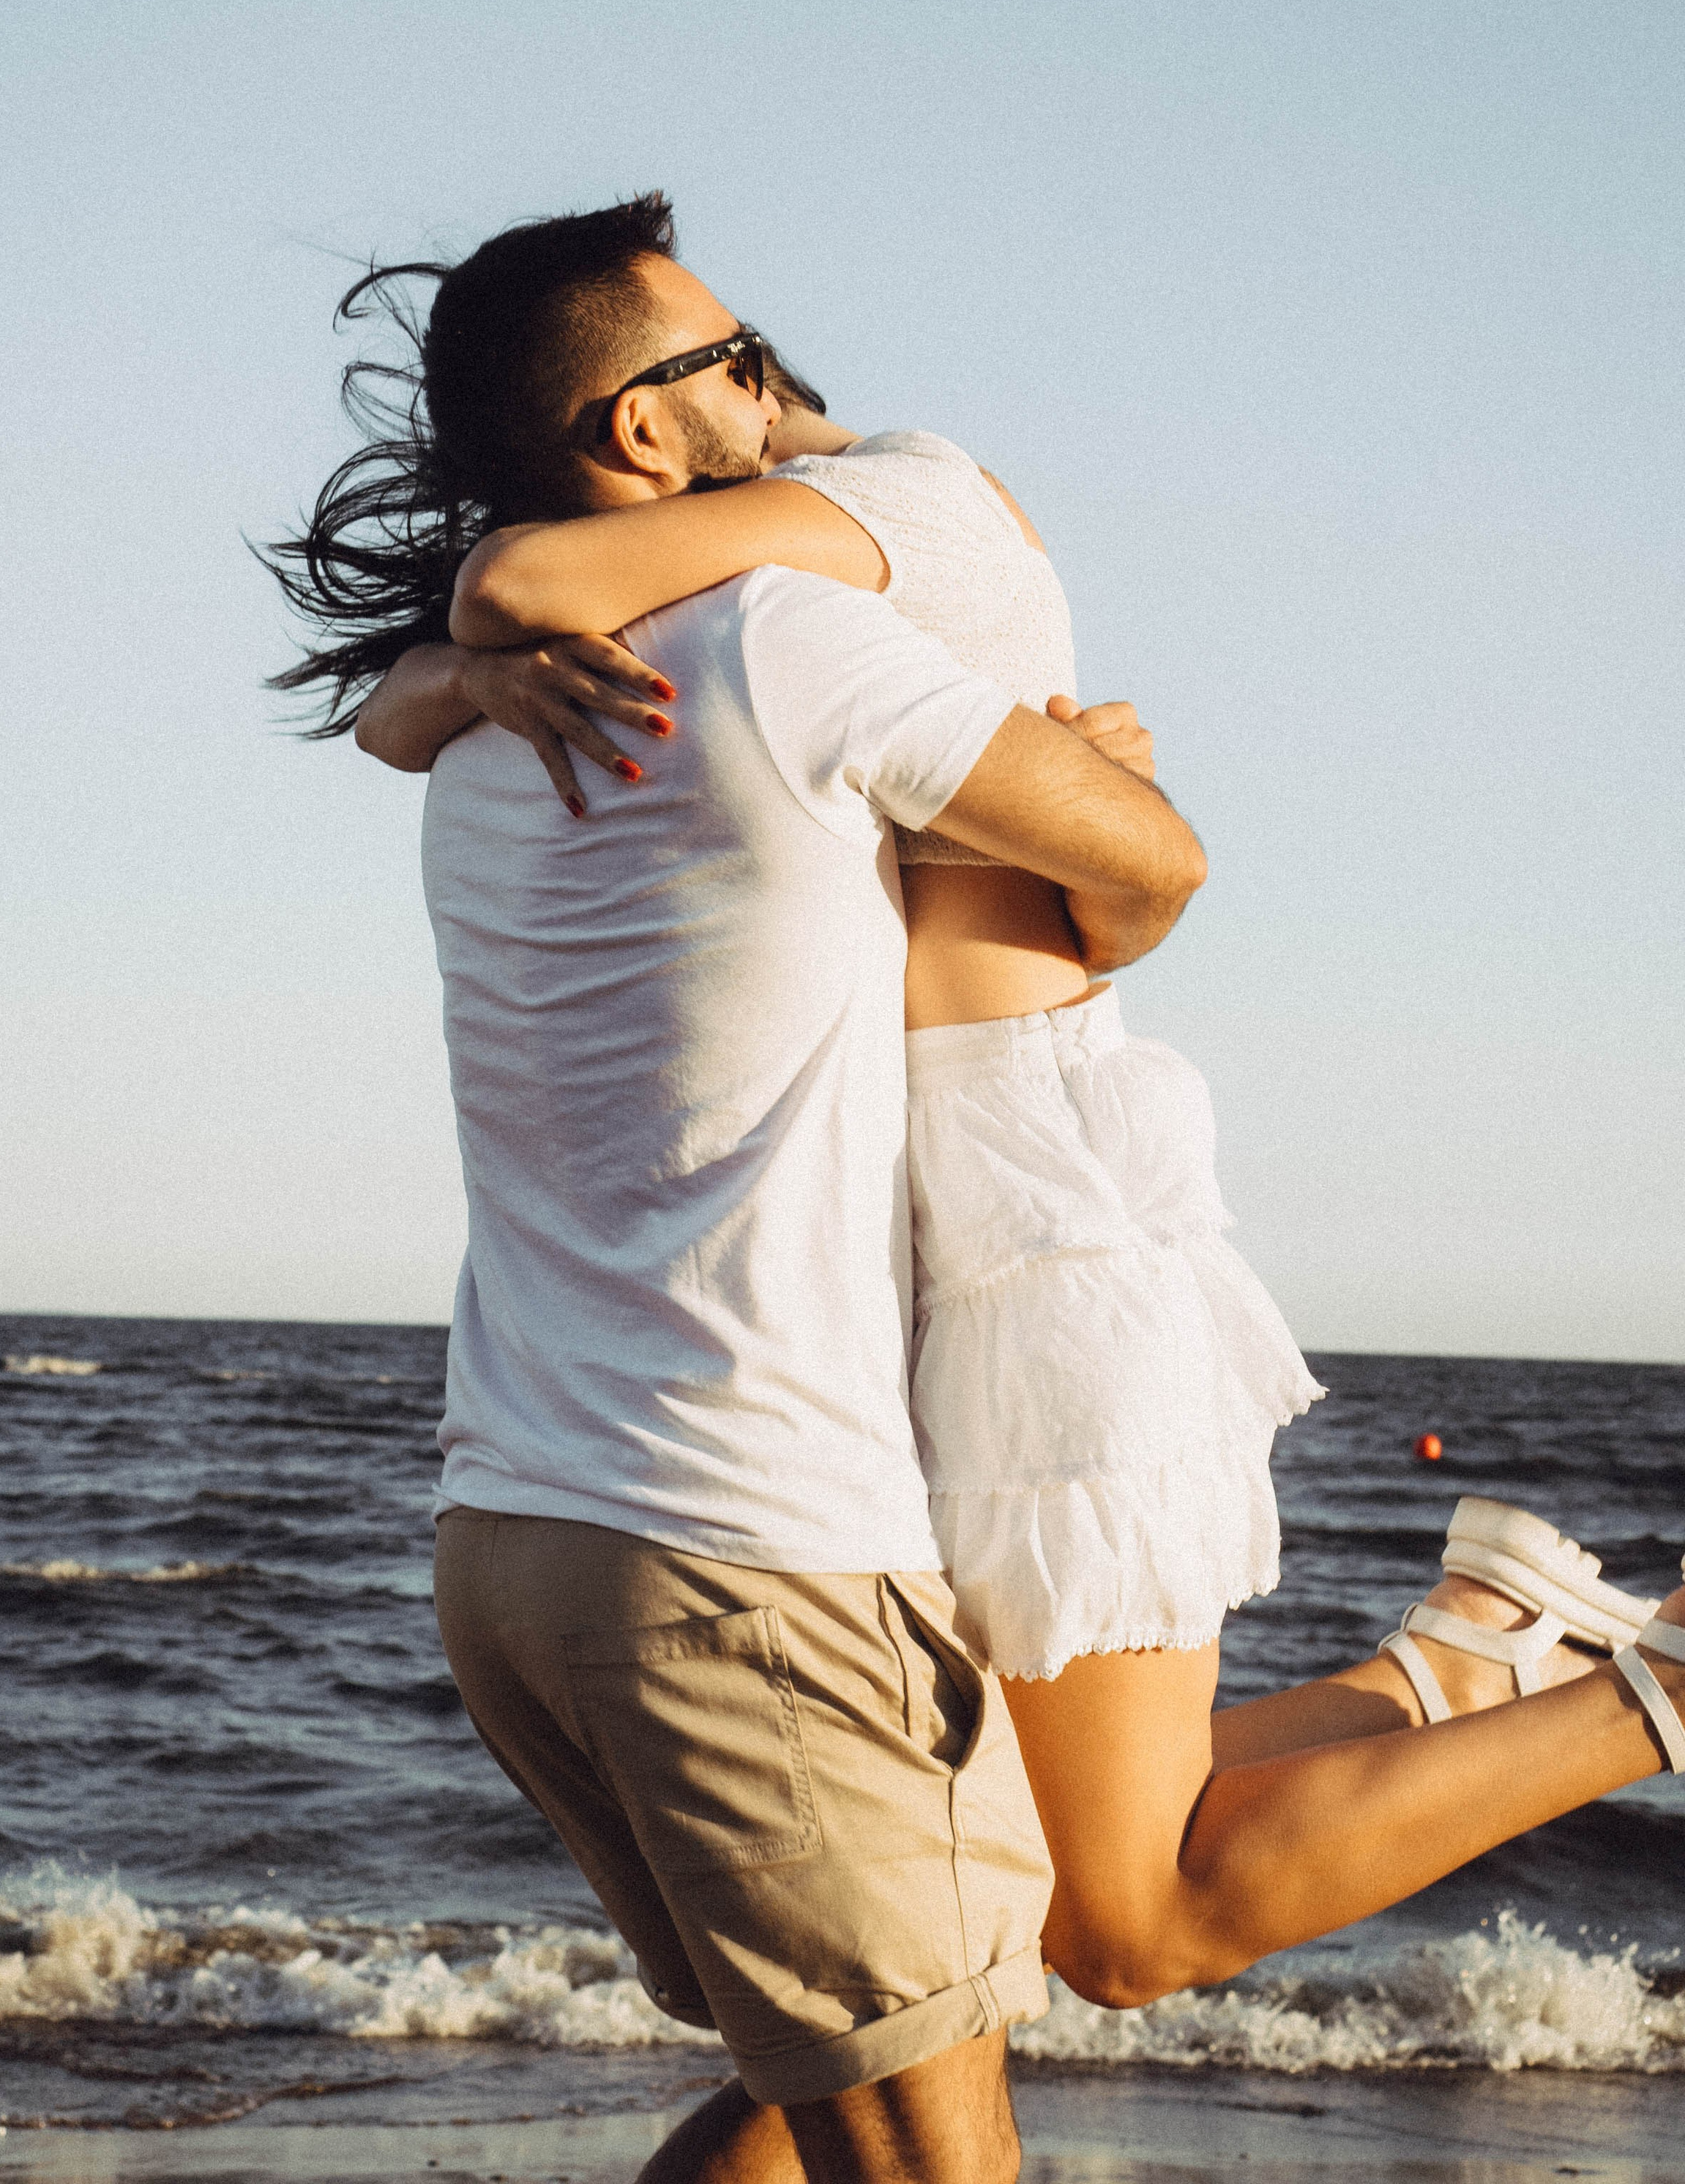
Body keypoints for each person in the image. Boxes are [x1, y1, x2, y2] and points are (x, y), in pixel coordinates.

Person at [338, 196, 1685, 2050]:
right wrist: (449, 678)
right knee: (1016, 1903)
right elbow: (456, 657)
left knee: (1115, 1925)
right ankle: (1463, 1659)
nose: (773, 376)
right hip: (902, 1245)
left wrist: (476, 649)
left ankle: (1638, 1685)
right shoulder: (729, 609)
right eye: (729, 356)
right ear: (643, 427)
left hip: (1035, 1188)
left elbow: (1145, 878)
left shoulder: (899, 516)